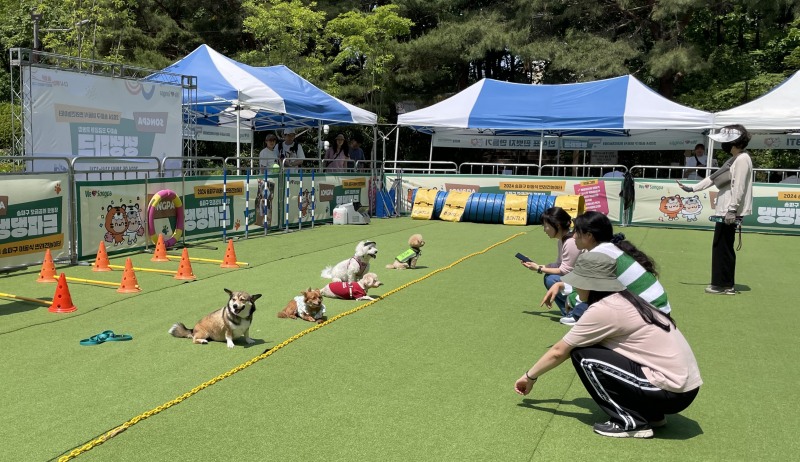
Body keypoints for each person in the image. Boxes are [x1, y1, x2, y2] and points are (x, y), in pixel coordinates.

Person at [514, 252, 702, 439]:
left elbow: (558, 351)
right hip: (682, 388)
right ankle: (651, 414)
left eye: (578, 281)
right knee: (598, 350)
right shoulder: (625, 298)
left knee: (583, 356)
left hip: (672, 392)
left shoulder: (605, 308)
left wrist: (530, 377)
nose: (575, 286)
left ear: (591, 283)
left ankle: (631, 422)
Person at [544, 211, 671, 325]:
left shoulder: (597, 255)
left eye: (577, 232)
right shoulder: (610, 248)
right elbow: (589, 285)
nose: (573, 236)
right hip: (659, 310)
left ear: (589, 235)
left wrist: (570, 300)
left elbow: (586, 295)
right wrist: (562, 285)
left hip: (650, 315)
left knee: (582, 309)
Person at [676, 124, 753, 295]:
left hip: (729, 212)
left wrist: (732, 209)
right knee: (721, 246)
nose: (723, 145)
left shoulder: (742, 159)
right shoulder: (735, 159)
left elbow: (739, 186)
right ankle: (722, 283)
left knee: (723, 247)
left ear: (734, 142)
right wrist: (692, 188)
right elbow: (714, 178)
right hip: (725, 210)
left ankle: (724, 285)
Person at [521, 207, 581, 317]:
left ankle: (575, 313)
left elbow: (565, 270)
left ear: (557, 225)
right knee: (550, 277)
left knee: (551, 279)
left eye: (546, 226)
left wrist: (539, 269)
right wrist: (537, 266)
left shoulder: (570, 242)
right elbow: (559, 264)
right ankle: (570, 311)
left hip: (586, 282)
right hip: (579, 279)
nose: (544, 230)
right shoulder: (562, 241)